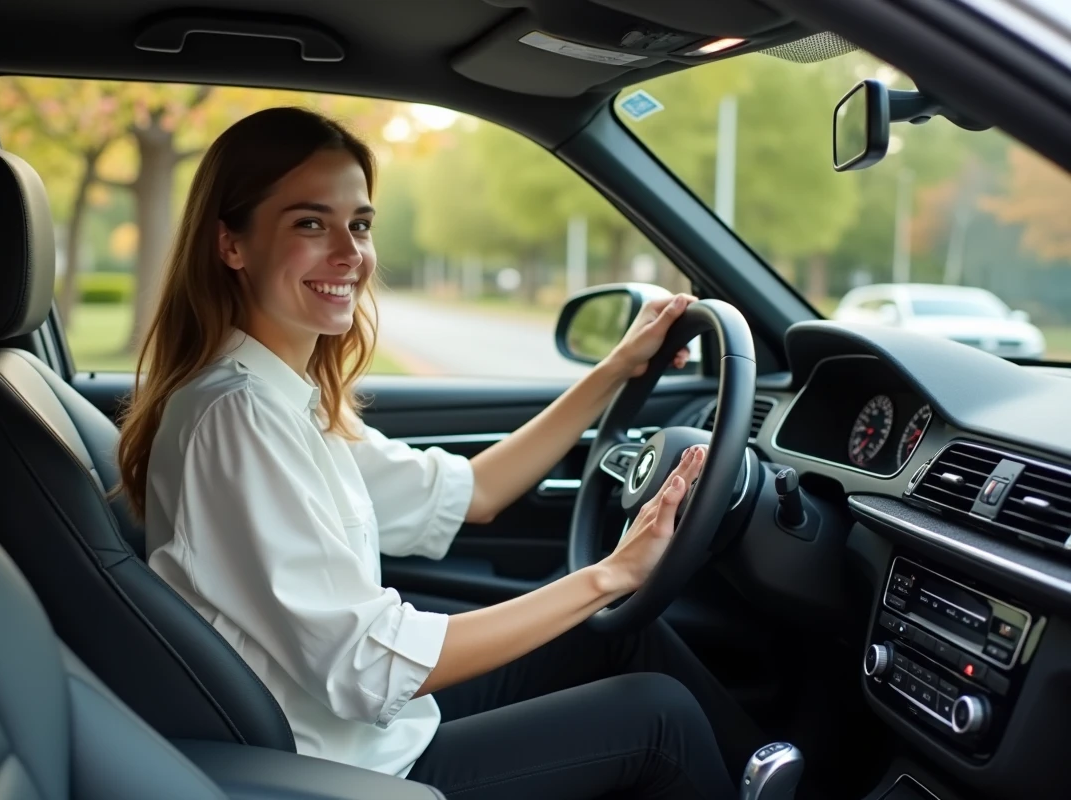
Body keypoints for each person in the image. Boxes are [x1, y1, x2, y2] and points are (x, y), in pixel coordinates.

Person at [116, 107, 749, 800]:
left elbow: (471, 492)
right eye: (309, 223)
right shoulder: (238, 419)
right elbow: (367, 665)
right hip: (346, 772)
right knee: (659, 719)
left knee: (617, 642)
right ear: (231, 245)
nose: (349, 253)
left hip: (370, 734)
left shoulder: (281, 401)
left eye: (358, 224)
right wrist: (611, 575)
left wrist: (613, 372)